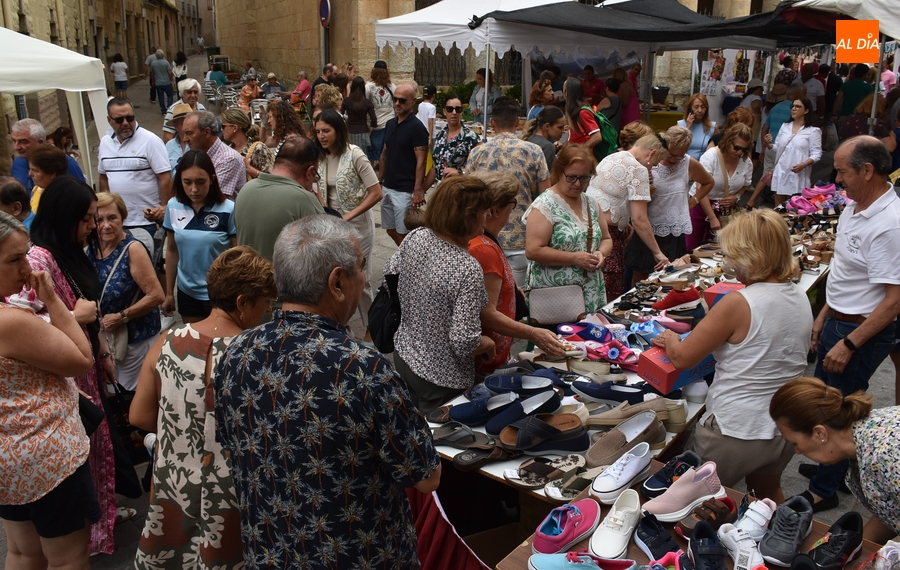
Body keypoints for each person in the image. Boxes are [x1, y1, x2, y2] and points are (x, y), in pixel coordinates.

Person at [216, 215, 441, 569]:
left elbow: (235, 448)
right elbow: (426, 476)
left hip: (271, 552)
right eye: (362, 268)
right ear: (337, 282)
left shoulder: (237, 352)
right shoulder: (365, 369)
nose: (365, 278)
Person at [130, 246, 275, 570]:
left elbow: (138, 416)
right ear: (242, 303)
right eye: (265, 304)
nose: (266, 312)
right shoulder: (261, 356)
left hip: (173, 489)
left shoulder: (166, 342)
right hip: (235, 496)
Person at [653, 209, 813, 502]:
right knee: (765, 493)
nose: (728, 262)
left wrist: (671, 339)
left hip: (736, 428)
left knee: (689, 502)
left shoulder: (739, 303)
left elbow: (683, 358)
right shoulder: (798, 295)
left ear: (748, 255)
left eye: (730, 255)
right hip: (783, 424)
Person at [19, 177, 134, 554]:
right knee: (83, 453)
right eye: (86, 218)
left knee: (97, 446)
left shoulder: (68, 250)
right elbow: (25, 327)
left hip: (84, 364)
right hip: (65, 377)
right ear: (64, 216)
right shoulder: (39, 259)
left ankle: (98, 521)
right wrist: (74, 313)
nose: (93, 226)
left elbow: (88, 309)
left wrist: (101, 353)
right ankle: (82, 538)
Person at [801, 136, 900, 513]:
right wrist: (823, 315)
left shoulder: (890, 224)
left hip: (858, 330)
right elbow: (844, 274)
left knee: (838, 409)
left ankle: (824, 489)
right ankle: (833, 469)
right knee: (827, 401)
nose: (837, 177)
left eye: (842, 171)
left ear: (868, 170)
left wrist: (852, 343)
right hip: (838, 320)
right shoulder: (855, 207)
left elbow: (893, 301)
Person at [0, 211, 97, 570]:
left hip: (7, 459)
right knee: (67, 559)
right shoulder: (10, 321)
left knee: (22, 551)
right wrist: (53, 300)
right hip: (45, 456)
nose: (27, 268)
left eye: (26, 254)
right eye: (13, 259)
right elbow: (80, 358)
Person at [385, 177, 496, 412]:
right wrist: (488, 343)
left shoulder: (417, 236)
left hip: (405, 355)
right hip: (439, 377)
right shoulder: (466, 267)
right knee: (436, 440)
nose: (488, 216)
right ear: (469, 216)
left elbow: (391, 274)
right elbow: (464, 341)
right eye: (484, 211)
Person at [771, 377, 900, 541]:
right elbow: (892, 510)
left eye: (795, 443)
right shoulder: (864, 437)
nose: (797, 451)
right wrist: (854, 549)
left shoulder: (884, 457)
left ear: (820, 433)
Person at [469, 171, 565, 373]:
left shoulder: (486, 241)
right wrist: (533, 334)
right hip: (488, 362)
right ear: (495, 210)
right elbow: (487, 313)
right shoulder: (483, 248)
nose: (513, 210)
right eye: (512, 203)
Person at [466, 96, 551, 287]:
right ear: (517, 122)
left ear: (492, 122)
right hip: (522, 237)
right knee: (517, 299)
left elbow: (468, 196)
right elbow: (546, 198)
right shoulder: (534, 151)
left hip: (484, 235)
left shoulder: (477, 153)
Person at [314, 109, 382, 340]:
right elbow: (319, 187)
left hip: (358, 226)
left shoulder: (355, 155)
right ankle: (342, 326)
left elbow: (376, 193)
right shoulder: (320, 156)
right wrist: (326, 211)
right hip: (333, 226)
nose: (322, 136)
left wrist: (349, 215)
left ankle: (371, 329)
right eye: (318, 132)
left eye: (326, 131)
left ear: (338, 130)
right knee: (334, 279)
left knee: (360, 279)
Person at [87, 192, 164, 391]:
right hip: (106, 339)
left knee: (134, 393)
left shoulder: (132, 249)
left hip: (135, 339)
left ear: (123, 218)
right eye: (98, 219)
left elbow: (156, 295)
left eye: (112, 217)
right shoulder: (91, 250)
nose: (105, 225)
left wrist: (121, 317)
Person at [525, 144, 612, 313]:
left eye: (585, 178)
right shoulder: (545, 205)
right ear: (559, 172)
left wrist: (601, 253)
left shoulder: (591, 203)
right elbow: (533, 250)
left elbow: (606, 238)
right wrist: (574, 258)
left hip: (589, 292)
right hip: (556, 297)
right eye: (571, 177)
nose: (578, 184)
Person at [627, 126, 715, 283]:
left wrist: (693, 201)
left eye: (679, 156)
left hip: (673, 229)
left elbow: (708, 182)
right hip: (646, 226)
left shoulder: (689, 164)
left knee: (670, 274)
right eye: (670, 154)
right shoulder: (649, 160)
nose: (673, 159)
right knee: (641, 275)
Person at [588, 132, 669, 300]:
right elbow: (640, 219)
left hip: (588, 227)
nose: (651, 168)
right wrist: (658, 252)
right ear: (652, 153)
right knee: (608, 294)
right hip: (607, 235)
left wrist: (624, 219)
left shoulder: (611, 157)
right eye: (653, 164)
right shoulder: (638, 169)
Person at [162, 150, 237, 323]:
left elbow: (236, 255)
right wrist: (168, 293)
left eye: (200, 182)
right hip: (187, 292)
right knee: (195, 344)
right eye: (187, 182)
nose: (194, 189)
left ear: (212, 179)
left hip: (220, 293)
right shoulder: (173, 206)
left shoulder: (229, 209)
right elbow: (172, 251)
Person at [98, 98, 172, 255]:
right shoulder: (105, 142)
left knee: (147, 268)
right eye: (119, 119)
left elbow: (165, 178)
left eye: (130, 118)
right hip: (116, 222)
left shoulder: (150, 141)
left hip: (145, 222)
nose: (126, 123)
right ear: (109, 120)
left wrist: (163, 211)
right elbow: (103, 177)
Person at [234, 134, 325, 261]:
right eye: (315, 175)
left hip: (247, 278)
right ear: (309, 172)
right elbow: (322, 254)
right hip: (283, 280)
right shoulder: (305, 200)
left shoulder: (245, 190)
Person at [379, 82, 429, 246]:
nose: (397, 103)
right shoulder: (390, 124)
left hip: (405, 190)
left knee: (404, 232)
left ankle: (409, 264)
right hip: (388, 186)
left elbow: (422, 160)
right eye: (395, 99)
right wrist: (380, 181)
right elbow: (385, 153)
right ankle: (405, 259)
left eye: (402, 100)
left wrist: (418, 190)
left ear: (413, 101)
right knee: (390, 229)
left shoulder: (417, 128)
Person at [691, 123, 754, 242]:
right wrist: (712, 217)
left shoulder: (746, 161)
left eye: (744, 149)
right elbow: (700, 188)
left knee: (721, 248)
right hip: (701, 206)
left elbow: (745, 185)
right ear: (728, 141)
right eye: (737, 147)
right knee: (694, 246)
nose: (740, 152)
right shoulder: (711, 156)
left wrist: (737, 197)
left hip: (726, 211)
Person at [747, 83, 801, 209]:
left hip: (771, 146)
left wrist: (765, 146)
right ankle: (778, 204)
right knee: (781, 176)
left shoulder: (774, 108)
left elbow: (765, 128)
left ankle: (752, 200)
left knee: (767, 173)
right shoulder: (794, 110)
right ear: (796, 95)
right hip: (782, 148)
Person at [764, 97, 822, 206]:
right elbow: (778, 148)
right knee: (778, 204)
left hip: (798, 174)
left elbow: (817, 153)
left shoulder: (813, 131)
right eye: (793, 106)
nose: (794, 109)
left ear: (806, 110)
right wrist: (769, 144)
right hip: (781, 171)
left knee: (796, 205)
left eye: (798, 106)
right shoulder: (785, 126)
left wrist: (804, 164)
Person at [181, 110, 247, 199]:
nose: (185, 139)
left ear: (207, 132)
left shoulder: (228, 158)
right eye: (184, 134)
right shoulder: (192, 152)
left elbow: (211, 199)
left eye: (189, 133)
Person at [10, 118, 85, 191]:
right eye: (14, 141)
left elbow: (82, 197)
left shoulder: (64, 162)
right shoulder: (18, 163)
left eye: (23, 141)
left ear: (40, 142)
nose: (16, 147)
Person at [429, 93, 481, 185]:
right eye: (450, 109)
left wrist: (461, 173)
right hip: (441, 189)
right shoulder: (440, 135)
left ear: (461, 111)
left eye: (458, 109)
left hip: (460, 189)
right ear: (444, 111)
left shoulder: (471, 137)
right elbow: (435, 167)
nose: (454, 113)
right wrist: (420, 191)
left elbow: (479, 167)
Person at [366, 60, 396, 164]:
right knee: (386, 153)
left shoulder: (368, 86)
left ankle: (373, 178)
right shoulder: (393, 86)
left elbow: (365, 105)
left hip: (374, 125)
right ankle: (383, 177)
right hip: (390, 123)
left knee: (373, 154)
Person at [25, 144, 68, 213]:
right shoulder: (37, 189)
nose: (30, 174)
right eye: (30, 169)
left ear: (52, 173)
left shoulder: (64, 198)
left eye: (35, 170)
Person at [522, 105, 566, 172]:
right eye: (560, 127)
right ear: (547, 126)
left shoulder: (529, 138)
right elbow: (549, 178)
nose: (563, 131)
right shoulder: (548, 146)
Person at [341, 75, 377, 158]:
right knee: (362, 157)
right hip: (363, 131)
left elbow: (340, 115)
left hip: (349, 131)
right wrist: (369, 131)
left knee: (349, 156)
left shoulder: (347, 101)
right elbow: (374, 120)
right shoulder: (367, 102)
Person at [564, 78, 603, 152]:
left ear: (567, 93)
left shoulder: (583, 112)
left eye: (564, 90)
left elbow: (597, 136)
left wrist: (580, 149)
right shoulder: (577, 111)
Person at [162, 79, 206, 143]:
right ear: (182, 94)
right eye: (189, 92)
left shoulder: (202, 109)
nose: (193, 95)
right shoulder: (173, 110)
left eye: (195, 92)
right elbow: (167, 138)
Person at [678, 94, 716, 160]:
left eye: (703, 107)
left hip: (703, 165)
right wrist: (687, 128)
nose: (700, 110)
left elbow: (716, 152)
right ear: (690, 109)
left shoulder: (713, 127)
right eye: (696, 107)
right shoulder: (680, 125)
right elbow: (677, 148)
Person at [165, 103, 193, 175]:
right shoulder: (169, 146)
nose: (187, 126)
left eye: (189, 123)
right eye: (182, 124)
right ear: (175, 126)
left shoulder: (198, 143)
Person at [149, 49, 175, 115]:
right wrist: (171, 78)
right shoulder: (166, 62)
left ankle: (163, 110)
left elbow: (152, 73)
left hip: (158, 83)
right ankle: (169, 105)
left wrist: (153, 81)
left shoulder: (153, 63)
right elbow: (169, 72)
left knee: (161, 97)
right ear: (163, 55)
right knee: (170, 94)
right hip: (166, 82)